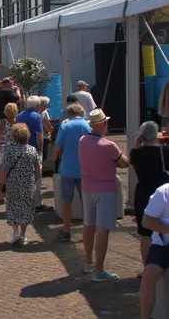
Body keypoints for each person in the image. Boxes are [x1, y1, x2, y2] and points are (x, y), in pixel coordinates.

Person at [78, 108, 130, 281]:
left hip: (87, 188)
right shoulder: (109, 146)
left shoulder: (82, 140)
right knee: (102, 229)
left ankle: (88, 262)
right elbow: (124, 163)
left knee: (88, 225)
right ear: (102, 125)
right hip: (105, 190)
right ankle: (99, 271)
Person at [130, 121, 169, 267]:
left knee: (145, 235)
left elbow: (135, 167)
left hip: (143, 194)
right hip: (163, 195)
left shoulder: (136, 153)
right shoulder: (165, 152)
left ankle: (147, 267)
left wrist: (137, 143)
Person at [0, 124, 41, 246]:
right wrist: (34, 180)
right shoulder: (32, 150)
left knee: (12, 207)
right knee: (26, 208)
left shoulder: (9, 149)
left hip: (13, 184)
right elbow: (38, 170)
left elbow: (4, 169)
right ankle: (23, 235)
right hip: (28, 184)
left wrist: (0, 183)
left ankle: (15, 232)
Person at [51, 103, 90, 242]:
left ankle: (66, 230)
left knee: (66, 201)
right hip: (84, 169)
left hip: (67, 168)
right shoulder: (87, 126)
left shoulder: (65, 126)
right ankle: (88, 230)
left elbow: (57, 147)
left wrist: (54, 159)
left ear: (69, 114)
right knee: (85, 201)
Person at [139, 183, 169, 318]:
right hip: (162, 246)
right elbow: (147, 222)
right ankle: (145, 317)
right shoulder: (163, 192)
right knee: (149, 276)